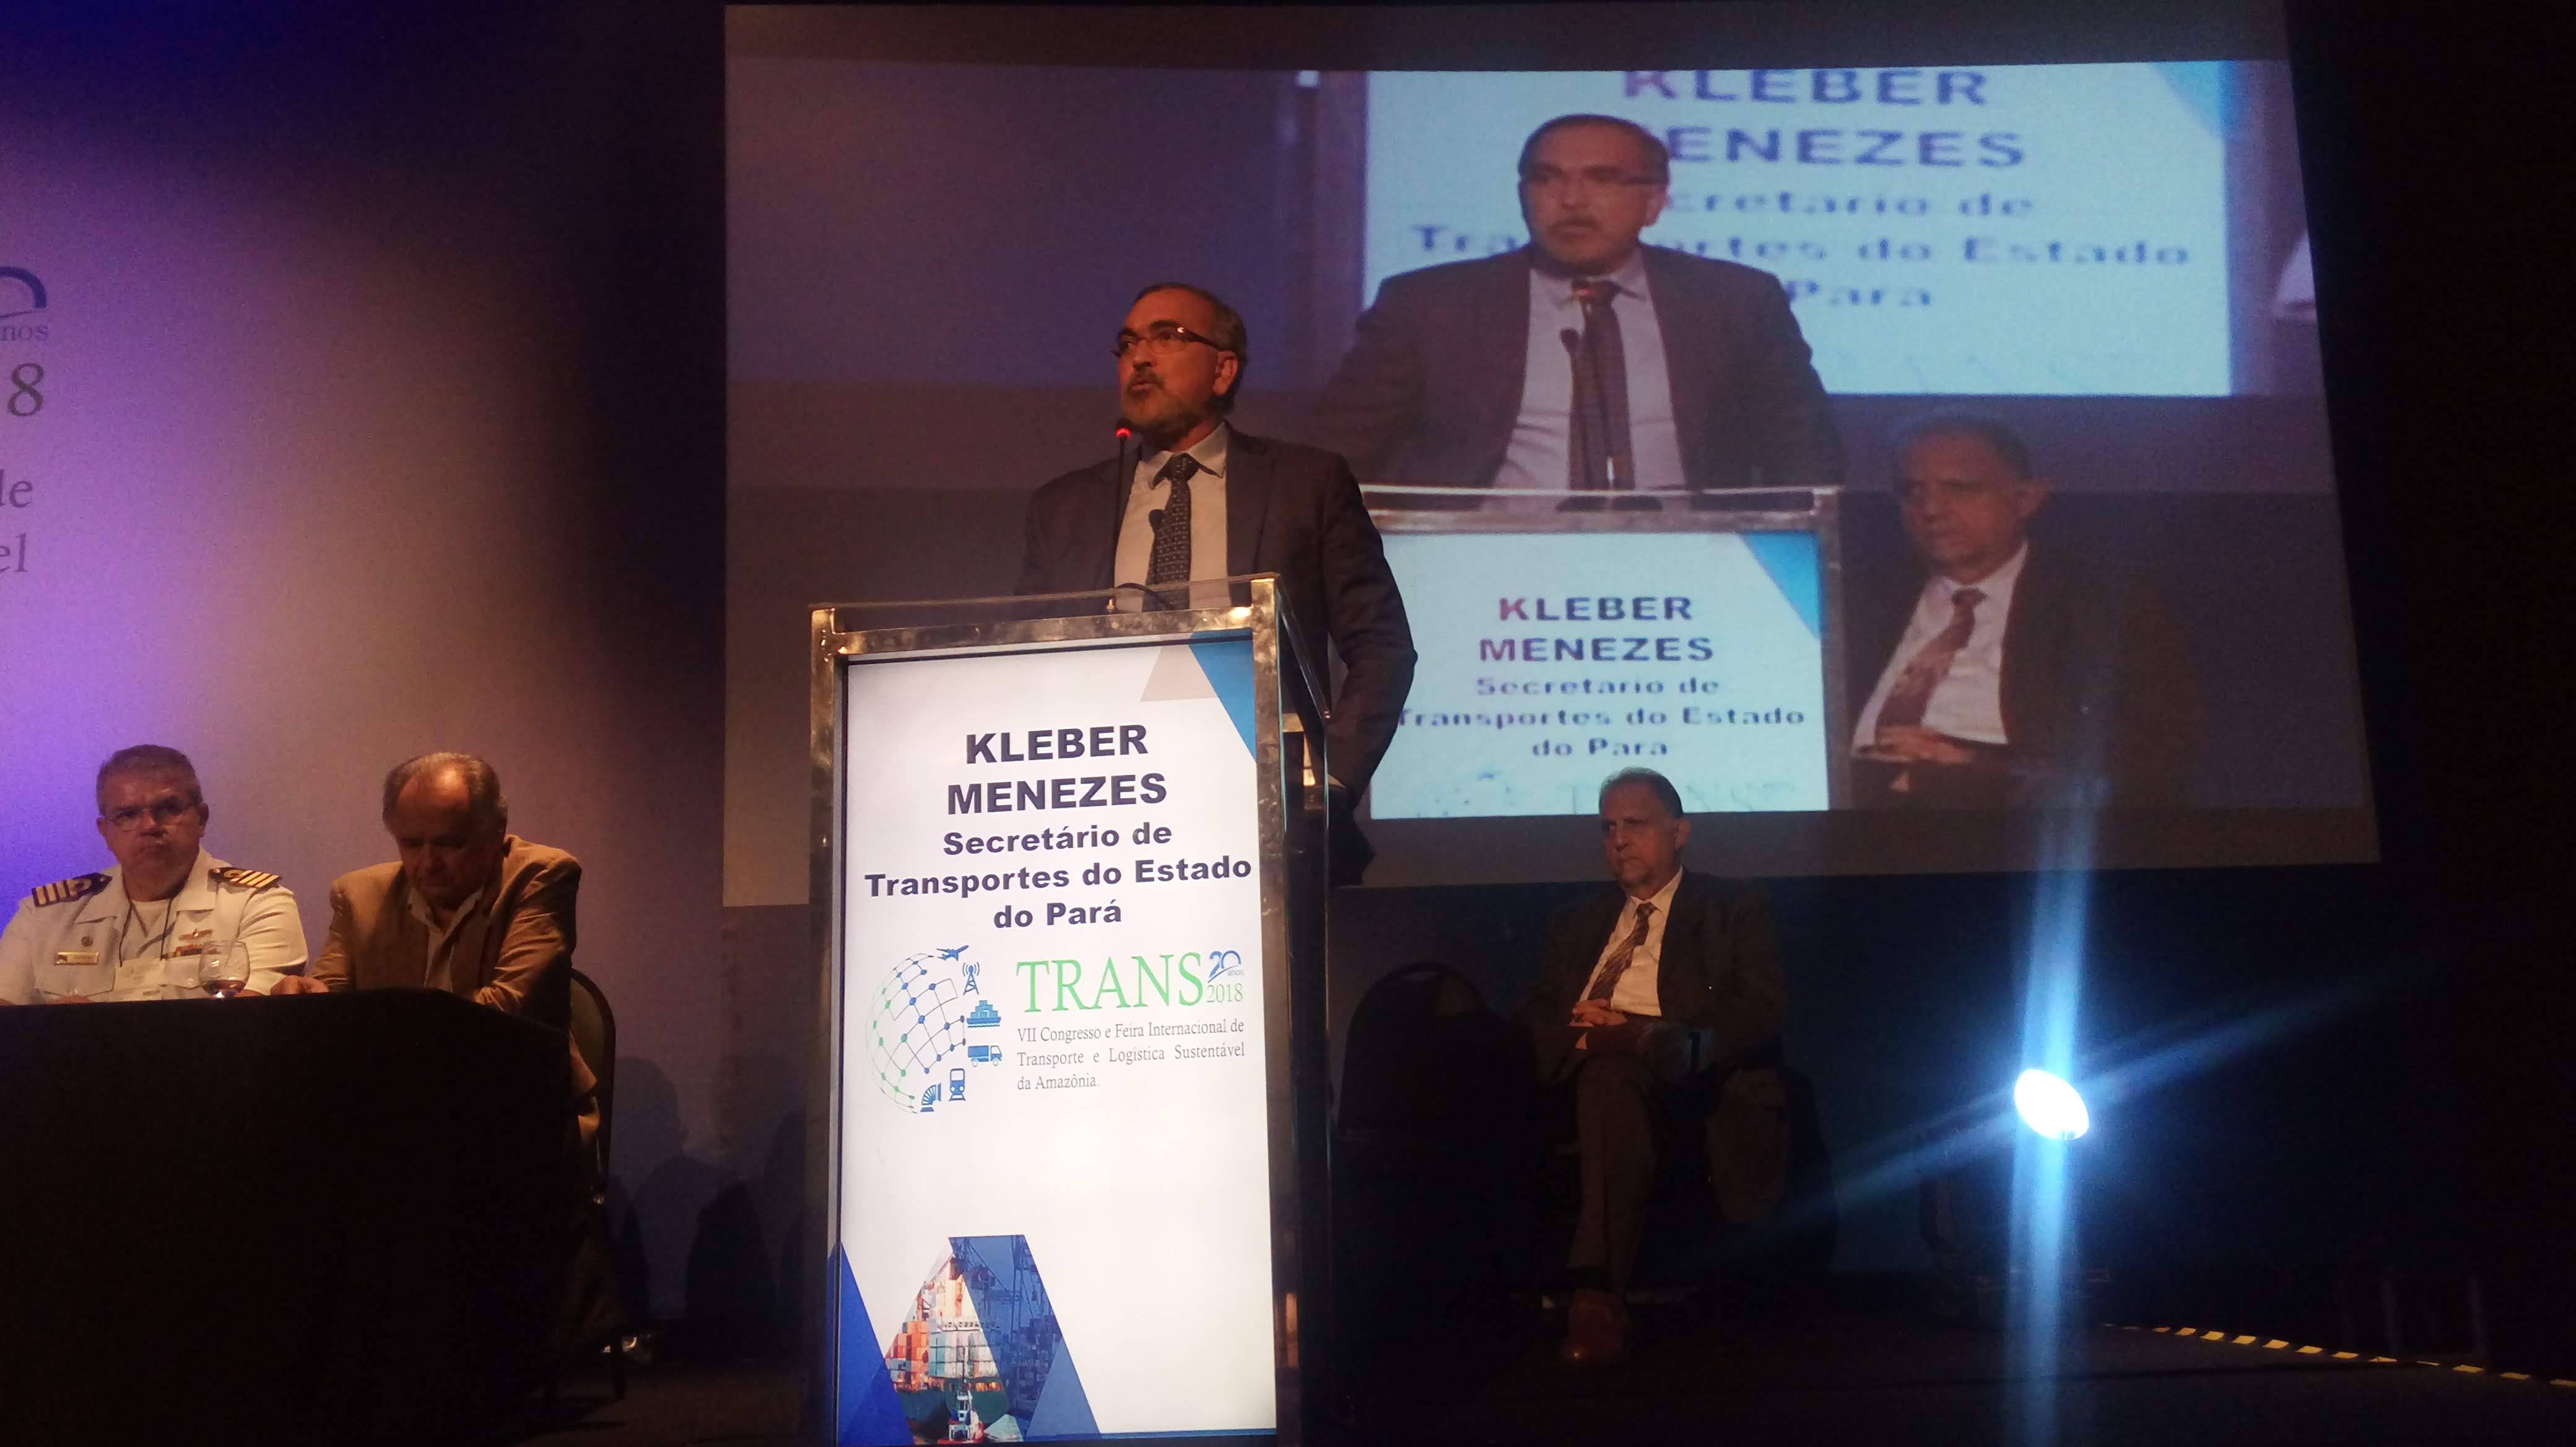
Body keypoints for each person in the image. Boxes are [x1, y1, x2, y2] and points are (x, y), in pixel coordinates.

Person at [1019, 282, 1416, 883]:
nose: (1140, 357)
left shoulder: (1304, 484)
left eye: (1167, 337)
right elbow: (1026, 664)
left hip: (1269, 822)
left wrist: (1328, 781)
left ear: (1223, 370)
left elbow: (1381, 646)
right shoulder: (1065, 508)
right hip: (1104, 826)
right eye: (1128, 343)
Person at [1308, 113, 1842, 504]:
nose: (1571, 200)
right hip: (1481, 563)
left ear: (1654, 202)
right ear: (1523, 196)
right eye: (1547, 178)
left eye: (1603, 179)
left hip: (1696, 565)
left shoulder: (1736, 301)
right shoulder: (1430, 307)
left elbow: (1805, 458)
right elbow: (1333, 460)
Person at [1517, 768, 1787, 1366]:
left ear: (1679, 832)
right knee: (1504, 1070)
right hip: (1578, 1072)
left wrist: (1641, 1034)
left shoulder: (1732, 906)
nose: (1618, 840)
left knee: (1612, 1079)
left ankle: (1596, 1298)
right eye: (1608, 827)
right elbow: (1538, 1011)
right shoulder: (1577, 920)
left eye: (1634, 824)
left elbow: (1759, 1009)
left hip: (1683, 1081)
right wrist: (1585, 1035)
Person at [1847, 415, 2199, 808]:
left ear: (2026, 500)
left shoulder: (2107, 603)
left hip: (2004, 812)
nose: (1930, 509)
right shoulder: (1855, 597)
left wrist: (1973, 766)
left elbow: (2158, 760)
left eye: (1960, 489)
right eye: (1912, 491)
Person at [276, 751, 581, 1023]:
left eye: (450, 843)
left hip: (511, 1066)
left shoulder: (539, 876)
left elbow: (506, 1009)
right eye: (411, 844)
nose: (429, 863)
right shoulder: (358, 895)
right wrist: (304, 999)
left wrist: (375, 1027)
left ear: (497, 832)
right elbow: (328, 999)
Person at [0, 745, 305, 1004]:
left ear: (202, 819)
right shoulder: (44, 916)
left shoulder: (258, 904)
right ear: (105, 831)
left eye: (169, 809)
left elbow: (246, 1025)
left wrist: (81, 1027)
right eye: (128, 815)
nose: (149, 826)